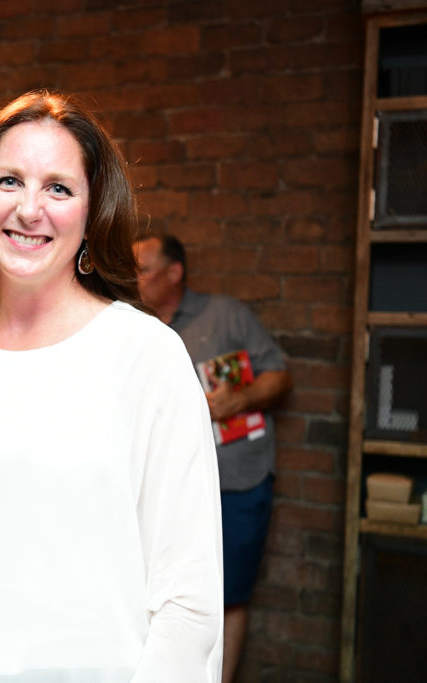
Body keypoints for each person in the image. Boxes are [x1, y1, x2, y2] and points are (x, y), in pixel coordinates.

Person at [0, 91, 223, 682]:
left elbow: (188, 601)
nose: (29, 209)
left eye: (58, 188)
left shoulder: (145, 355)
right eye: (9, 181)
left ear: (93, 212)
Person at [133, 233, 292, 683]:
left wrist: (237, 400)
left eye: (142, 268)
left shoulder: (226, 315)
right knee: (162, 595)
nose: (134, 277)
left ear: (174, 273)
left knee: (229, 595)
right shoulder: (135, 330)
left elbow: (280, 376)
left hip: (237, 481)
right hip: (164, 488)